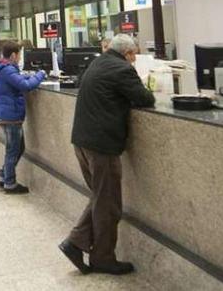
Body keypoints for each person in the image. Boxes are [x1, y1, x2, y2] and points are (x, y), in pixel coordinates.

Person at [59, 34, 155, 275]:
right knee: (109, 203)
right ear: (128, 53)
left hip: (82, 141)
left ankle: (76, 243)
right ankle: (101, 257)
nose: (134, 60)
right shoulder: (122, 69)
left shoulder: (98, 62)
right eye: (134, 54)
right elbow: (145, 98)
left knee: (103, 198)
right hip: (101, 145)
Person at [0, 40, 45, 195]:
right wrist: (41, 74)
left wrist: (29, 77)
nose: (20, 58)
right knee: (14, 149)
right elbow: (25, 86)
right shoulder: (8, 71)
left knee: (15, 148)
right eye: (19, 54)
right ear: (14, 55)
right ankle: (10, 183)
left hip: (8, 114)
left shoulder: (4, 69)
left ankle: (3, 175)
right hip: (11, 115)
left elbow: (19, 82)